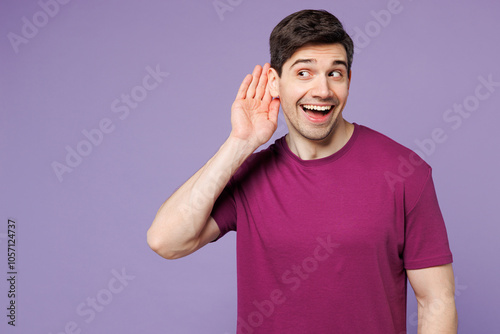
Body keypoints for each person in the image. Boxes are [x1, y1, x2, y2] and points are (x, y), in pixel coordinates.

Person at [147, 9, 458, 333]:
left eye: (334, 74)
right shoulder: (250, 174)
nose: (322, 91)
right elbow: (166, 241)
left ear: (349, 81)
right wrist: (240, 143)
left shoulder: (405, 173)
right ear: (274, 82)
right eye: (304, 73)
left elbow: (436, 301)